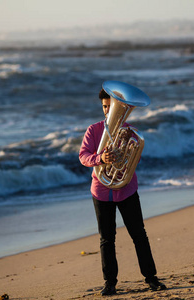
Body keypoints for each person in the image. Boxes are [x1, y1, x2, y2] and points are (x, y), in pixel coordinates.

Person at [79, 87, 166, 296]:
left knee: (139, 235)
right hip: (101, 191)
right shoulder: (93, 130)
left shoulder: (130, 132)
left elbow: (134, 159)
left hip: (126, 189)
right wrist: (101, 158)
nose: (108, 111)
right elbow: (83, 156)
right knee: (106, 239)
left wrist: (123, 157)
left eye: (111, 107)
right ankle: (110, 282)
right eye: (105, 107)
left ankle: (151, 278)